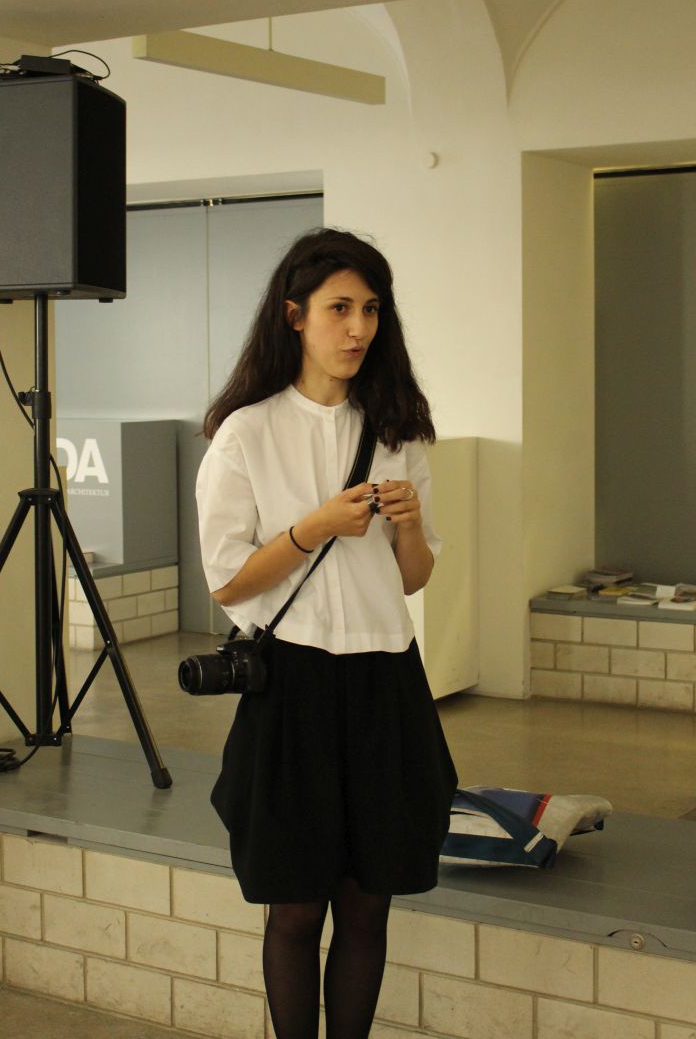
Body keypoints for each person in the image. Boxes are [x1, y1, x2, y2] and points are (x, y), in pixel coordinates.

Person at [195, 227, 457, 1039]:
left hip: (386, 680)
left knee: (369, 901)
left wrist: (406, 526)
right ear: (295, 316)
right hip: (295, 683)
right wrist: (311, 528)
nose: (358, 328)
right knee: (297, 907)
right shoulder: (247, 432)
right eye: (340, 308)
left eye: (371, 310)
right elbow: (228, 582)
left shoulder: (397, 429)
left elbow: (413, 577)